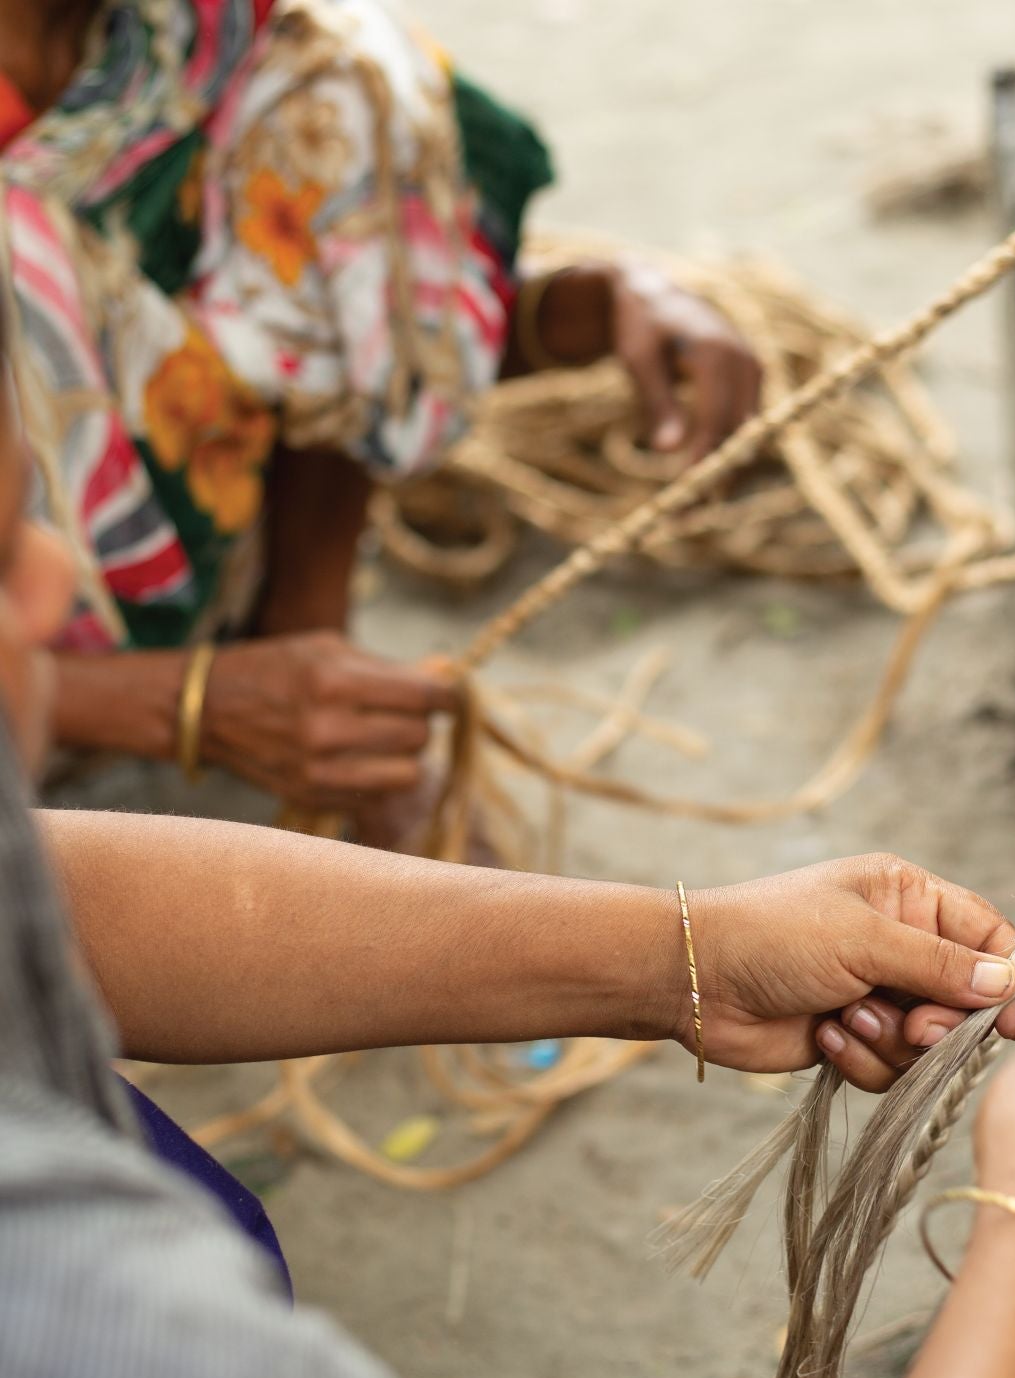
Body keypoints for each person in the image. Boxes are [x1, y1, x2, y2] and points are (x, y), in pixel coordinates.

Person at [0, 288, 1015, 1378]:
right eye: (1, 558)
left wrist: (688, 956)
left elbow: (47, 899)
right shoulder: (92, 1347)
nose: (56, 584)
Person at [0, 0, 761, 848]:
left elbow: (295, 322)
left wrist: (589, 305)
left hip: (202, 599)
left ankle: (303, 640)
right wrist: (190, 705)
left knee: (338, 96)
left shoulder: (221, 44)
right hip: (36, 664)